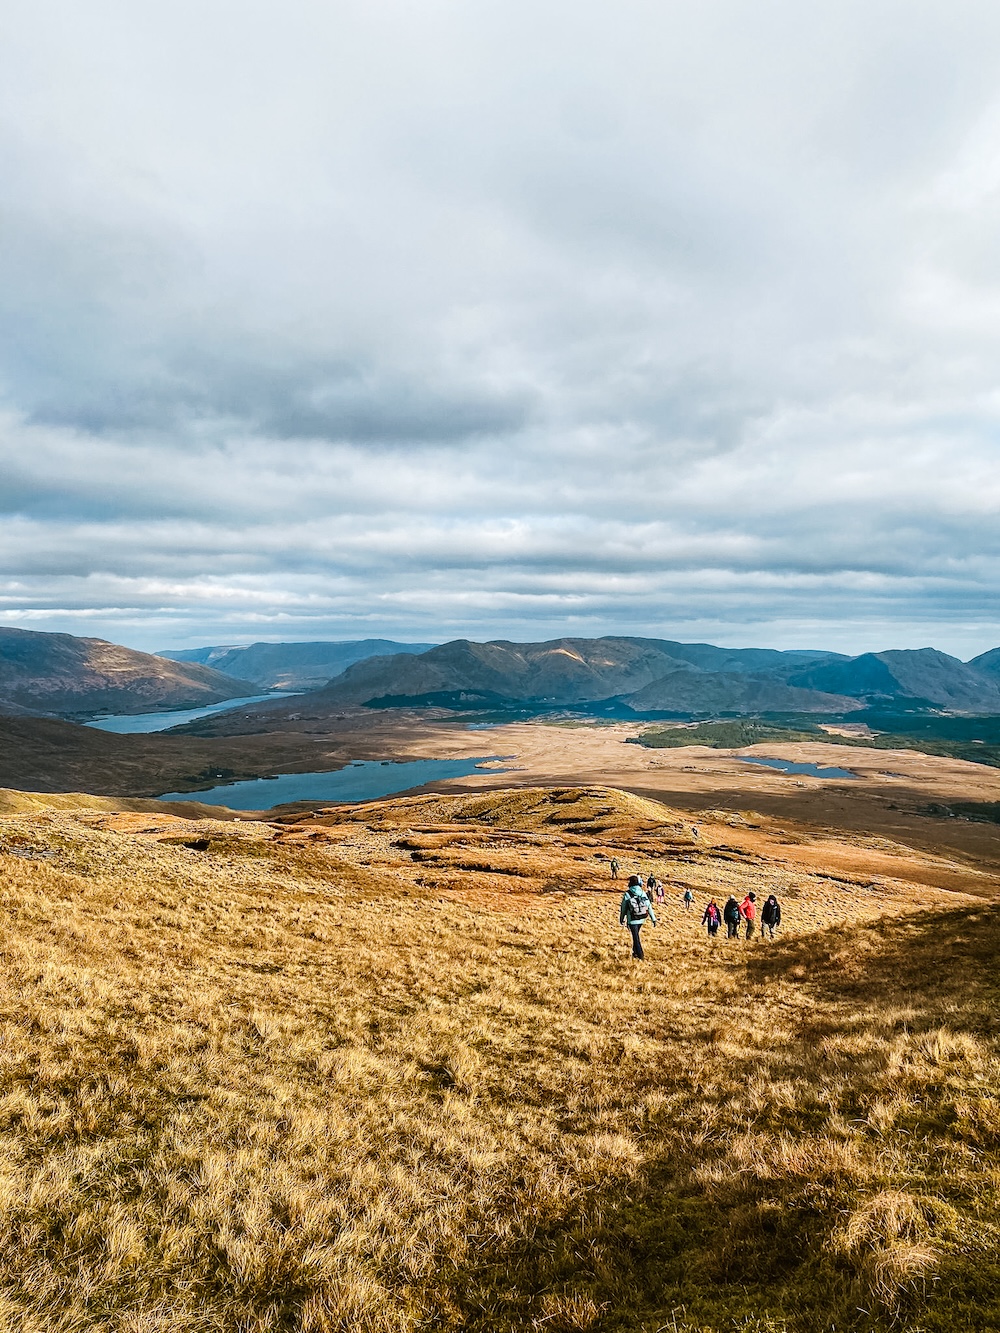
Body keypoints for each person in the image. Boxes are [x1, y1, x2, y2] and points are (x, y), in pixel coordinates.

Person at [620, 873, 657, 960]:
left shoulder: (627, 894)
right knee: (635, 936)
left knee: (636, 938)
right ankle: (635, 954)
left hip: (632, 920)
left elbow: (623, 908)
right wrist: (653, 919)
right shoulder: (642, 893)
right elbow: (649, 906)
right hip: (642, 918)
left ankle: (641, 956)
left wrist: (621, 919)